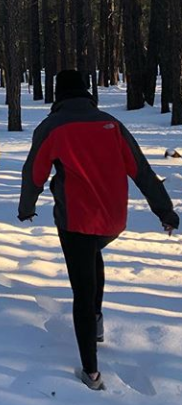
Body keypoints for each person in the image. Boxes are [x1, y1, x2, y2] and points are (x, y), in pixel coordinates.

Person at [18, 69, 179, 391]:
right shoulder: (111, 124)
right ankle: (97, 322)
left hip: (75, 221)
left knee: (82, 288)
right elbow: (141, 170)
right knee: (93, 255)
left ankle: (91, 372)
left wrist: (26, 207)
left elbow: (34, 172)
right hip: (112, 221)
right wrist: (165, 211)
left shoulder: (53, 127)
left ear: (58, 94)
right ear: (86, 93)